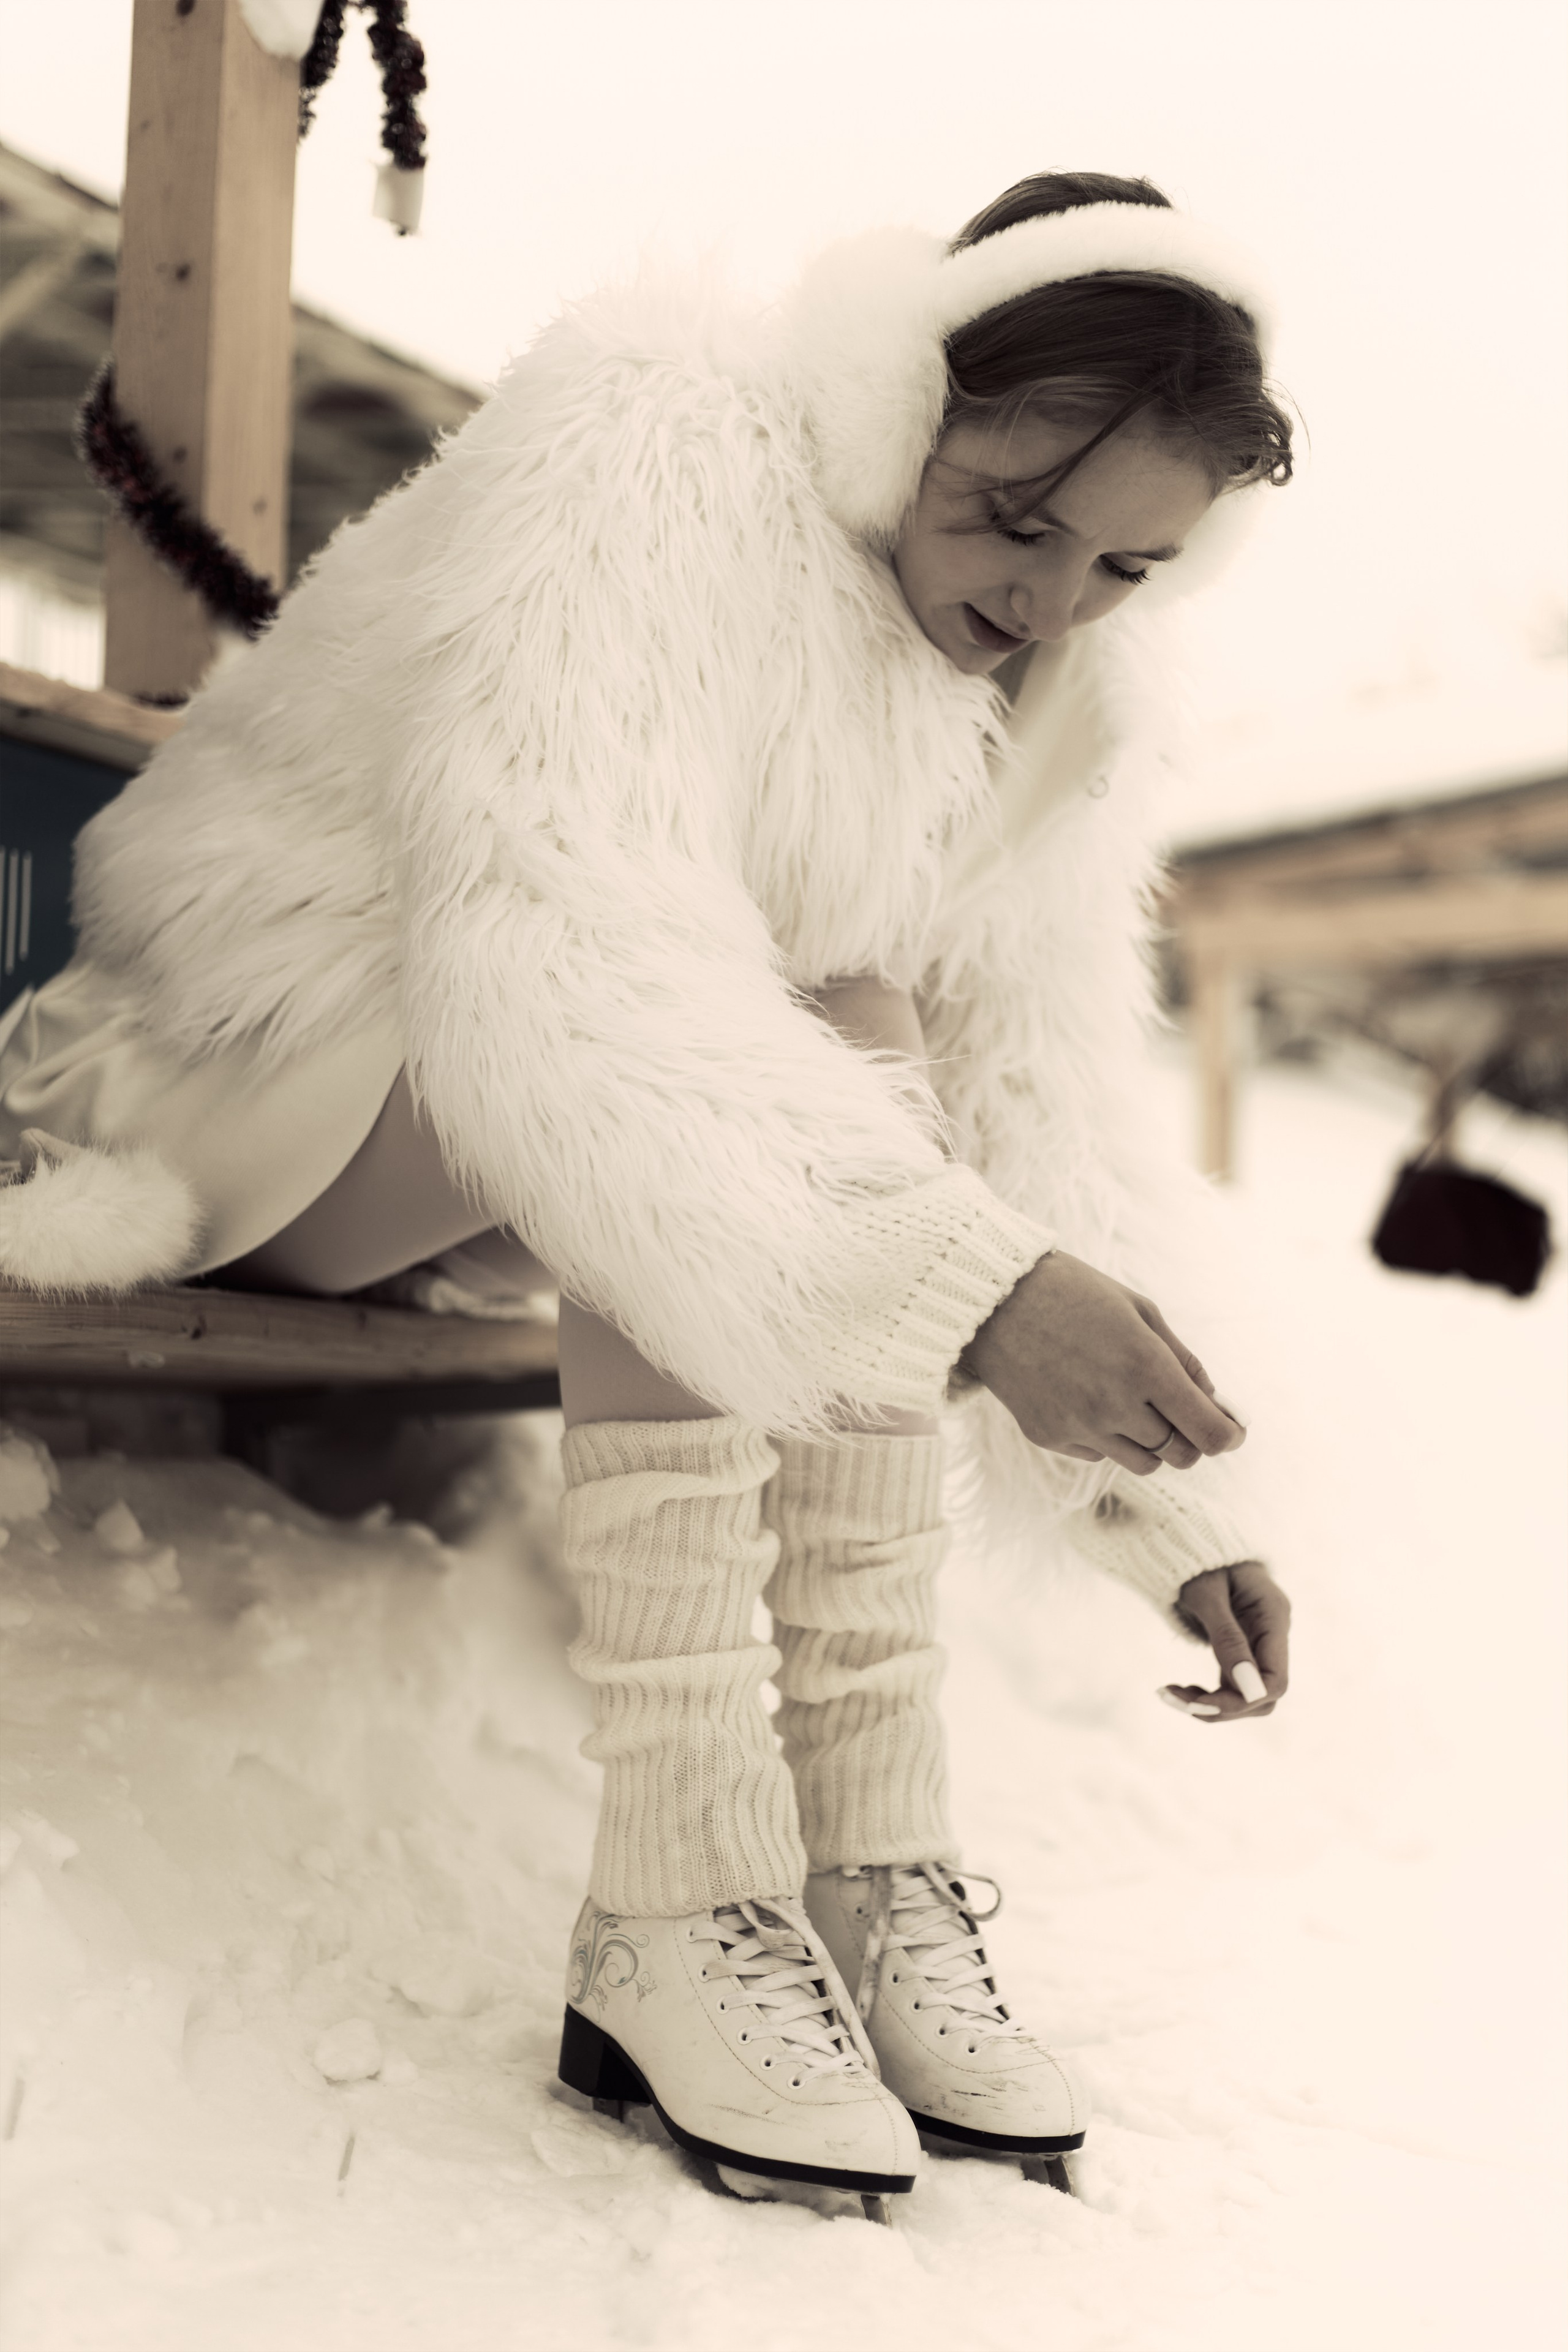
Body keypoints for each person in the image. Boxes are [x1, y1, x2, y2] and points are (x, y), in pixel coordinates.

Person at [0, 172, 1295, 2214]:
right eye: (1014, 513)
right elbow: (571, 954)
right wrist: (970, 1300)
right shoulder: (657, 451)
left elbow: (1034, 1089)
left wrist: (1164, 1497)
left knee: (840, 1016)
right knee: (782, 1007)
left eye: (1128, 564)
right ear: (897, 403)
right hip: (239, 1079)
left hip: (536, 1130)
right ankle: (678, 1897)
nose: (1049, 601)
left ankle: (869, 1867)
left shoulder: (1050, 689)